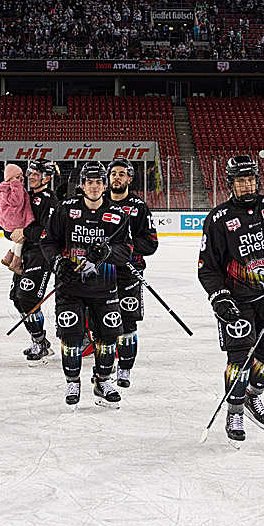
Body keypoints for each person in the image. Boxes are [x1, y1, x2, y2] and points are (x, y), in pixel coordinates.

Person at [197, 155, 264, 442]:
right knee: (238, 359)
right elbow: (208, 267)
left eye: (250, 179)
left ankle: (253, 396)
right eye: (240, 181)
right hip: (237, 301)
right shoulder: (219, 219)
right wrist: (219, 297)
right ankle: (235, 411)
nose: (246, 185)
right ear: (230, 184)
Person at [40, 161, 133, 406]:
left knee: (109, 337)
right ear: (81, 185)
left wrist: (108, 252)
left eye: (98, 182)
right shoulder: (65, 209)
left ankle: (102, 381)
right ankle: (72, 382)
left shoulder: (118, 216)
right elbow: (48, 242)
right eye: (89, 182)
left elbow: (127, 251)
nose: (94, 186)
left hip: (105, 289)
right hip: (70, 287)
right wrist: (58, 263)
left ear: (105, 185)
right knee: (71, 337)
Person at [104, 158, 159, 388]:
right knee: (104, 323)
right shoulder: (97, 203)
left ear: (129, 178)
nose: (117, 177)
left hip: (129, 272)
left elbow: (151, 244)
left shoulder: (139, 207)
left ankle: (125, 368)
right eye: (113, 173)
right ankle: (104, 368)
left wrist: (123, 247)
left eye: (121, 174)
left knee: (128, 324)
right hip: (101, 274)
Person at [9, 159, 59, 365]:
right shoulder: (26, 196)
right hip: (25, 253)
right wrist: (11, 231)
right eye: (31, 173)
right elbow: (15, 222)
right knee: (17, 298)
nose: (31, 177)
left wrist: (25, 233)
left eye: (37, 174)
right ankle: (38, 340)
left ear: (47, 177)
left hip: (42, 255)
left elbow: (49, 231)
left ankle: (39, 342)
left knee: (28, 297)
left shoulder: (51, 200)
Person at [0, 163, 33, 275]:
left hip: (15, 219)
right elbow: (16, 201)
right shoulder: (6, 190)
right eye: (17, 177)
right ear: (9, 178)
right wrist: (16, 185)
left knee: (20, 241)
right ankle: (15, 264)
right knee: (20, 240)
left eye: (21, 176)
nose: (20, 179)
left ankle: (8, 257)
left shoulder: (12, 188)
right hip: (13, 221)